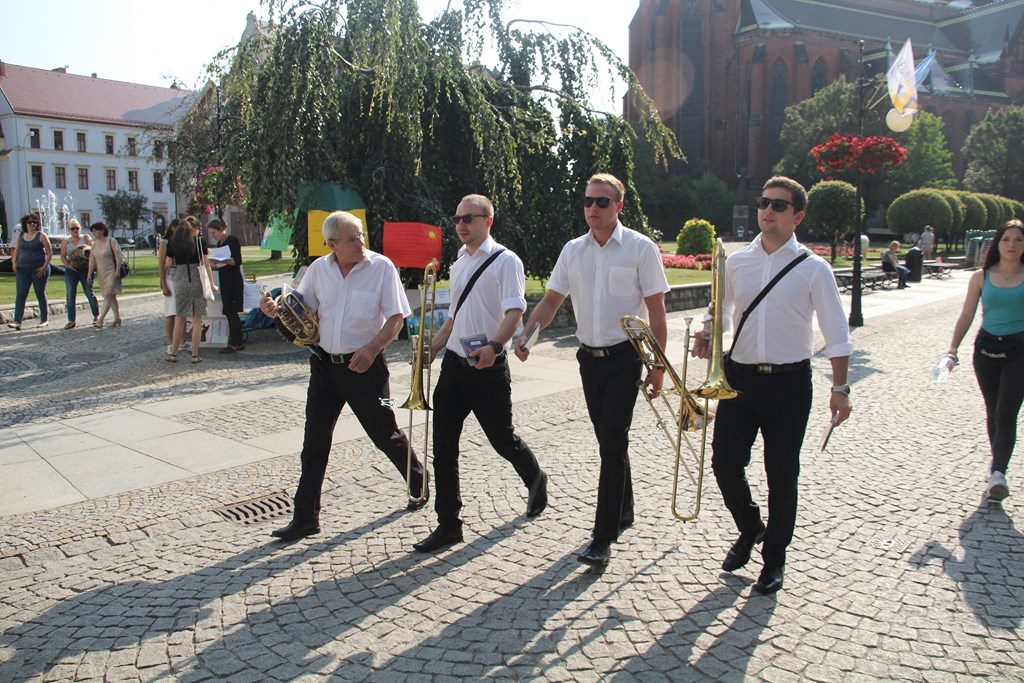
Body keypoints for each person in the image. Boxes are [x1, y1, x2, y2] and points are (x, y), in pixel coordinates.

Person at [690, 176, 852, 595]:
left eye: (779, 206)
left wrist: (841, 388)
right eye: (764, 202)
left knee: (781, 474)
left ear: (797, 216)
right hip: (739, 379)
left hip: (789, 383)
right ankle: (750, 526)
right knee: (724, 463)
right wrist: (708, 332)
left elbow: (836, 331)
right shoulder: (737, 261)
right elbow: (722, 310)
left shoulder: (815, 269)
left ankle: (774, 558)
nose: (768, 210)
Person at [515, 173, 669, 568]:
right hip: (588, 359)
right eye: (587, 201)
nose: (593, 208)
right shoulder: (573, 250)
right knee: (609, 439)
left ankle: (602, 537)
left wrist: (658, 367)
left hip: (625, 357)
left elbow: (656, 310)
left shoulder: (640, 248)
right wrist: (528, 335)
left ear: (619, 205)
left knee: (612, 442)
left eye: (602, 201)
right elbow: (551, 300)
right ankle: (625, 510)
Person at [259, 211, 427, 541]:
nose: (360, 243)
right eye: (352, 239)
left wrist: (371, 348)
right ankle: (305, 518)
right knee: (314, 441)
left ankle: (419, 482)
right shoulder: (318, 270)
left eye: (361, 235)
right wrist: (275, 310)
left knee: (385, 433)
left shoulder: (381, 267)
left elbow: (396, 319)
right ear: (331, 244)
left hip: (367, 368)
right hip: (324, 367)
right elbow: (300, 309)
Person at [413, 195, 549, 553]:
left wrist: (494, 346)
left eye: (468, 218)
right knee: (443, 446)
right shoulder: (458, 262)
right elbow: (456, 315)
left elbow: (515, 312)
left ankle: (536, 480)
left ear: (488, 220)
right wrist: (435, 345)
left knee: (503, 440)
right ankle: (449, 524)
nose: (460, 224)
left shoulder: (506, 261)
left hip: (486, 368)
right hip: (454, 367)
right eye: (457, 218)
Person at [944, 220, 1024, 502]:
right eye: (1006, 239)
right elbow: (966, 315)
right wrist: (952, 349)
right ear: (998, 244)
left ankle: (998, 472)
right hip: (986, 349)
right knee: (993, 411)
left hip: (1019, 349)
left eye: (1018, 240)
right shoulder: (981, 277)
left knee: (1006, 412)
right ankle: (997, 467)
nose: (1012, 245)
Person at [166, 216, 217, 363]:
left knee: (180, 318)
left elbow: (168, 264)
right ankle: (195, 355)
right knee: (196, 320)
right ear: (193, 229)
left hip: (181, 281)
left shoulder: (173, 243)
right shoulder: (200, 242)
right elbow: (206, 265)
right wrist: (212, 285)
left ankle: (173, 354)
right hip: (197, 280)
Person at [207, 218, 246, 353]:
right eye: (211, 233)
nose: (213, 235)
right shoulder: (220, 243)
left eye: (214, 232)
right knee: (229, 312)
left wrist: (220, 260)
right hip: (225, 280)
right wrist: (213, 264)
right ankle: (235, 341)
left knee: (231, 312)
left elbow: (237, 261)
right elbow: (223, 263)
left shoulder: (232, 240)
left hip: (233, 281)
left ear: (221, 230)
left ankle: (236, 342)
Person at [8, 214, 52, 330]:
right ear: (25, 224)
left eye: (34, 222)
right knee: (21, 294)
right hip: (23, 269)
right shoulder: (21, 235)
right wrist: (14, 263)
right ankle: (17, 321)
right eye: (30, 222)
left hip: (38, 269)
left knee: (40, 293)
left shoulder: (41, 236)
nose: (32, 224)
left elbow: (49, 253)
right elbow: (17, 249)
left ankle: (44, 319)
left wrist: (44, 267)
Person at [60, 219, 99, 329]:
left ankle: (96, 315)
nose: (75, 230)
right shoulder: (66, 242)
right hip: (71, 270)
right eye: (72, 228)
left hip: (86, 269)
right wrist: (68, 264)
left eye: (77, 228)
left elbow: (94, 252)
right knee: (70, 294)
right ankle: (71, 320)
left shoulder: (85, 238)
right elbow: (62, 256)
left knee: (89, 292)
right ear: (68, 230)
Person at [86, 222, 125, 328]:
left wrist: (117, 270)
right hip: (101, 273)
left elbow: (118, 256)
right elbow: (92, 261)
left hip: (112, 271)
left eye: (95, 230)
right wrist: (89, 274)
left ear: (102, 230)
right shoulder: (94, 245)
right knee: (111, 296)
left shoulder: (111, 241)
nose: (94, 233)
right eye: (92, 231)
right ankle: (117, 318)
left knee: (108, 295)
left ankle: (100, 320)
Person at [159, 219, 181, 355]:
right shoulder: (165, 243)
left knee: (182, 312)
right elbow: (161, 265)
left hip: (183, 277)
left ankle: (181, 341)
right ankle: (170, 342)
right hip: (171, 278)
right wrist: (164, 284)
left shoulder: (184, 241)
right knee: (171, 312)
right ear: (172, 228)